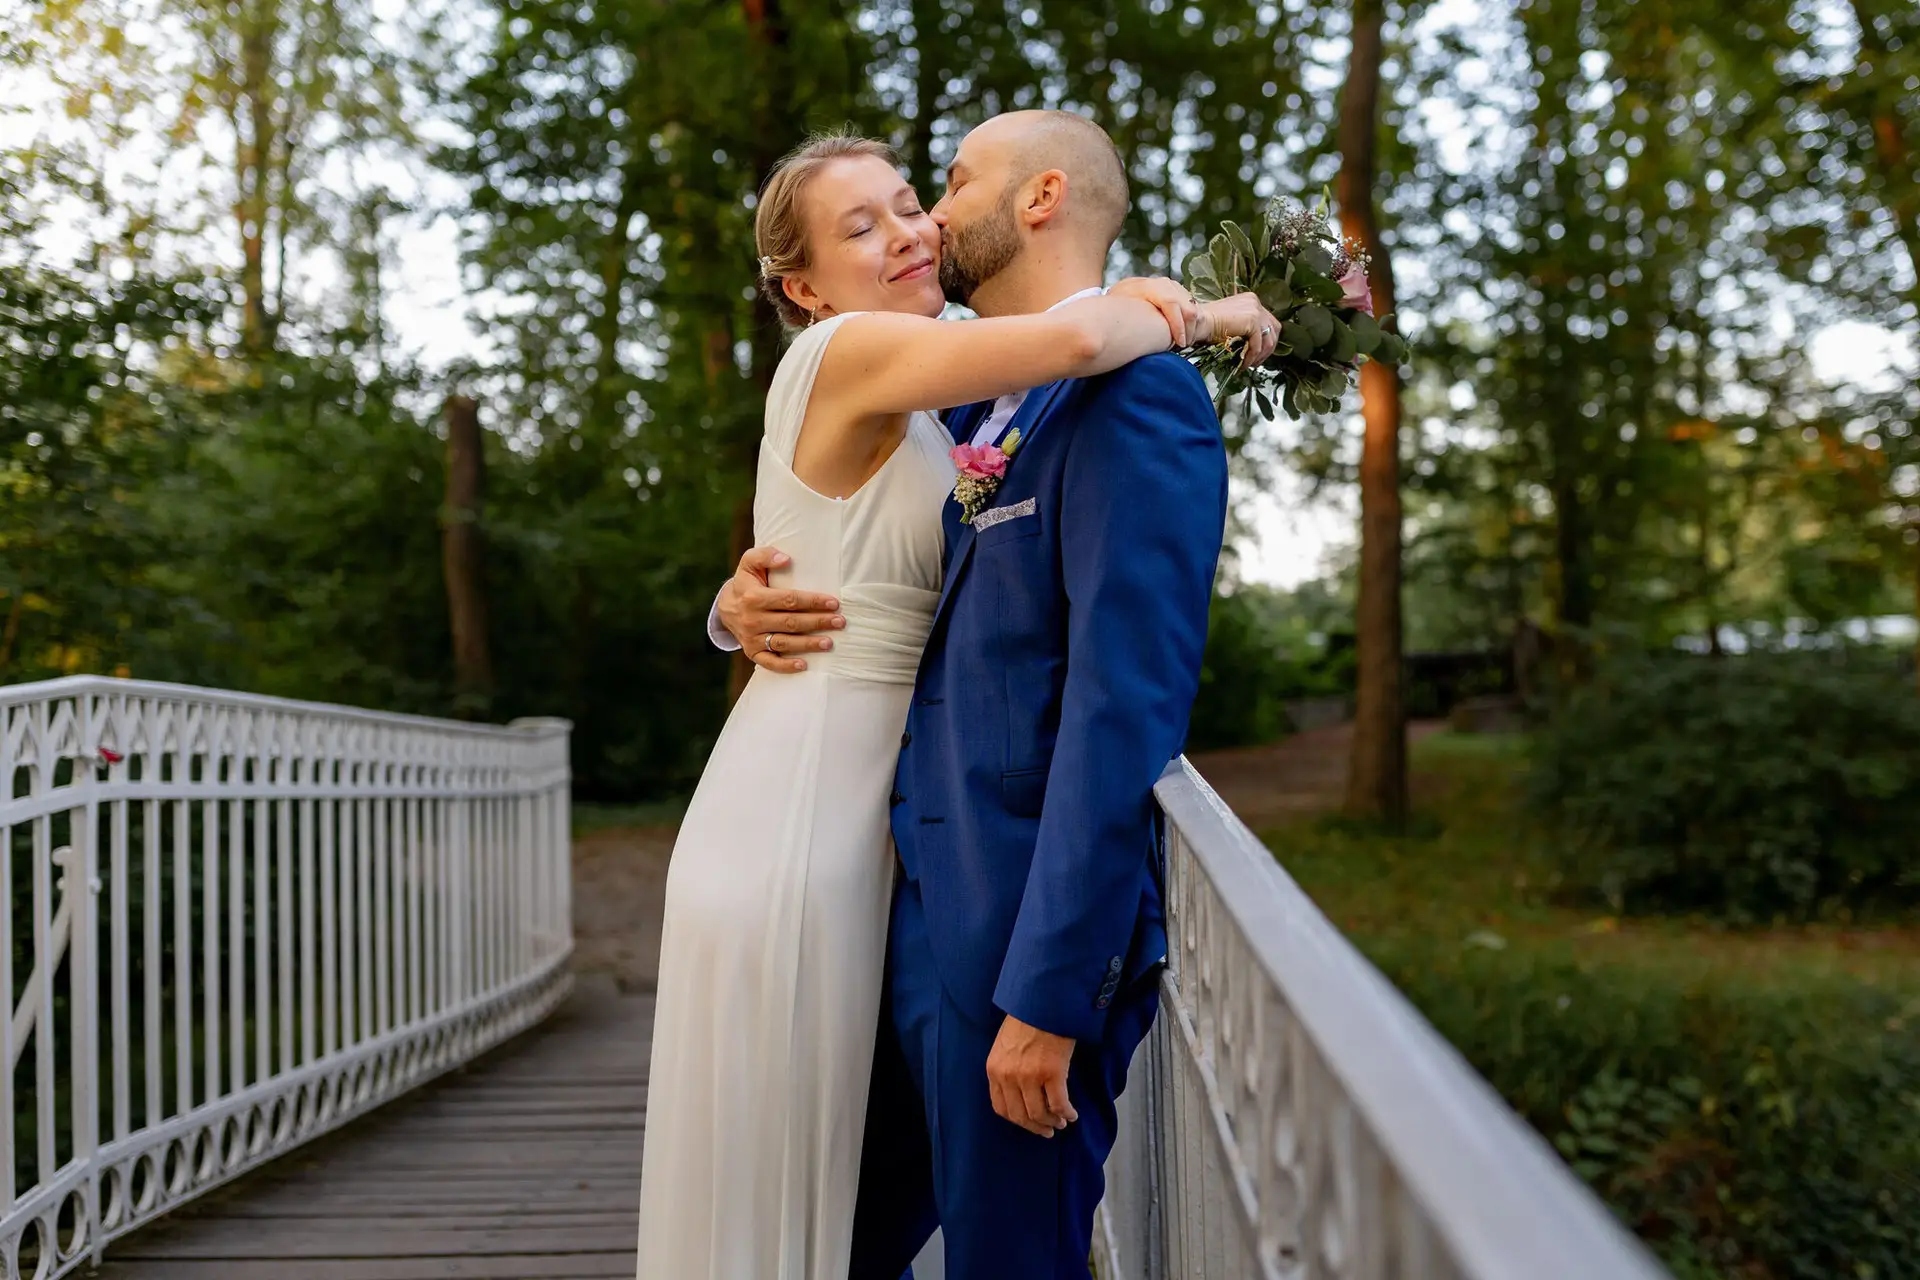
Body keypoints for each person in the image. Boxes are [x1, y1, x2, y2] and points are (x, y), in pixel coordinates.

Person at [646, 114, 1274, 1280]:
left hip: (915, 869)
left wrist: (733, 608)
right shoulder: (859, 360)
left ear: (1035, 199)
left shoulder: (976, 403)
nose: (917, 222)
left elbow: (1109, 688)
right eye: (865, 220)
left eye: (920, 192)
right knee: (789, 1185)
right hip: (812, 822)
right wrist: (1207, 311)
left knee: (828, 1204)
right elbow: (1084, 333)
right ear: (801, 284)